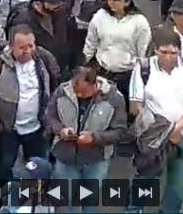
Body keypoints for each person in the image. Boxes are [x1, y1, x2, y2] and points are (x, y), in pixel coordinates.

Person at [130, 26, 183, 214]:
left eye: (174, 52)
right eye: (164, 52)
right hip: (153, 136)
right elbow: (136, 105)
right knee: (147, 179)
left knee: (177, 185)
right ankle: (135, 210)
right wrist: (161, 131)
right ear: (155, 50)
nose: (169, 57)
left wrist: (177, 129)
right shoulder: (143, 68)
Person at [0, 25, 61, 183]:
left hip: (37, 127)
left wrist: (49, 117)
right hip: (8, 129)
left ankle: (36, 199)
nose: (27, 51)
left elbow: (55, 87)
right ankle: (3, 200)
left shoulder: (44, 59)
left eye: (31, 45)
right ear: (10, 46)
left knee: (38, 166)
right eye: (22, 47)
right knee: (5, 165)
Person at [45, 66, 130, 206]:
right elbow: (50, 115)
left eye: (83, 92)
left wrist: (94, 138)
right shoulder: (62, 91)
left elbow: (120, 131)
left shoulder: (114, 98)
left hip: (96, 159)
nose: (78, 95)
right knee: (65, 200)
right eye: (75, 90)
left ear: (94, 85)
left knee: (90, 200)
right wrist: (60, 130)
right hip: (65, 156)